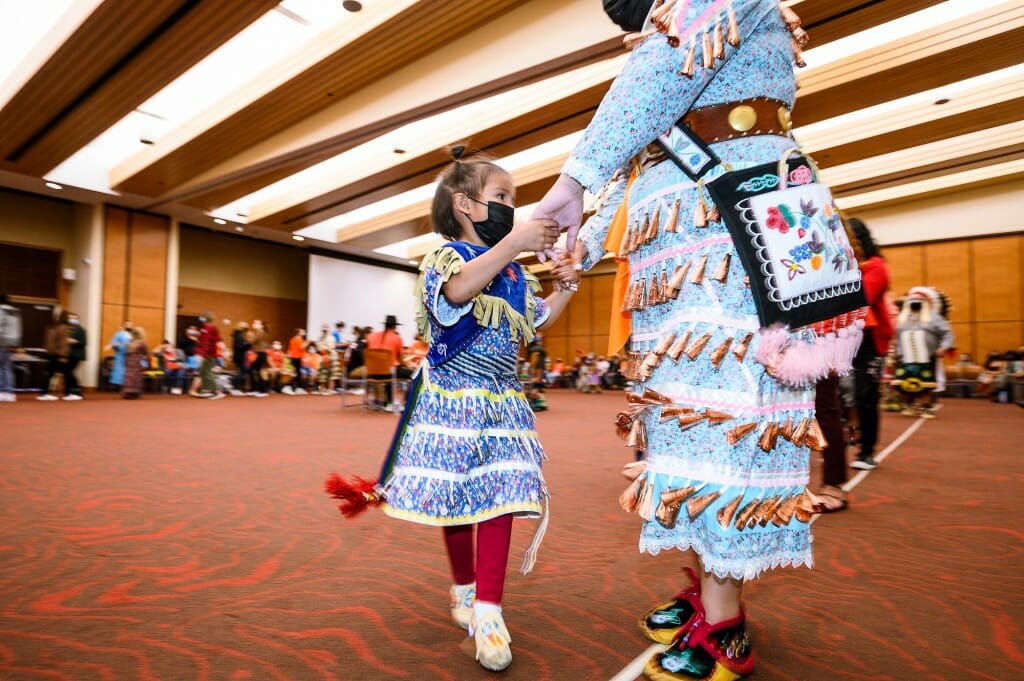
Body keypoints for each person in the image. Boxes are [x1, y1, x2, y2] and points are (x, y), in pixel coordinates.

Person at [530, 3, 827, 678]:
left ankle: (725, 627)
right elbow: (654, 134)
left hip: (734, 227)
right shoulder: (686, 24)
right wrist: (586, 238)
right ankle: (708, 587)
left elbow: (659, 73)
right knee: (687, 417)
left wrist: (573, 181)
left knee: (729, 412)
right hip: (694, 238)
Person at [330, 150, 578, 672]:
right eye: (502, 197)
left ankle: (489, 609)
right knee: (457, 497)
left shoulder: (513, 274)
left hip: (503, 400)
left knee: (503, 494)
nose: (512, 206)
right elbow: (457, 294)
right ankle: (464, 589)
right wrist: (513, 242)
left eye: (513, 199)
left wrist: (567, 286)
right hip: (453, 399)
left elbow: (536, 322)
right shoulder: (447, 257)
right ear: (465, 204)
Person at [847, 218, 893, 470]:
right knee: (844, 394)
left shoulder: (877, 267)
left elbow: (863, 298)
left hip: (871, 339)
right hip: (848, 336)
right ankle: (849, 437)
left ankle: (866, 451)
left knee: (866, 395)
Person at [891, 288, 953, 418]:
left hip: (927, 356)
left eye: (918, 300)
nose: (915, 302)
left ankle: (926, 407)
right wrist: (895, 351)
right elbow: (895, 337)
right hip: (905, 357)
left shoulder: (934, 318)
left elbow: (947, 333)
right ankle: (909, 404)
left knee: (926, 382)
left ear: (924, 302)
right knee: (904, 382)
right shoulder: (902, 319)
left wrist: (943, 347)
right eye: (912, 300)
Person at [366, 315, 412, 408]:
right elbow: (401, 359)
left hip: (372, 373)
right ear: (395, 326)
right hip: (389, 372)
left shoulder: (371, 336)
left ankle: (387, 402)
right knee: (414, 374)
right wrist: (408, 366)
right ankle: (407, 402)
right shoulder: (397, 338)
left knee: (389, 370)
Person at [37, 310, 72, 401]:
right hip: (59, 354)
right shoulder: (64, 328)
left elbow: (48, 341)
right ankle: (68, 393)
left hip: (50, 353)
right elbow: (63, 343)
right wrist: (64, 355)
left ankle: (43, 393)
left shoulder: (50, 327)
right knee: (67, 374)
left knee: (48, 374)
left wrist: (49, 351)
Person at [190, 313, 223, 399]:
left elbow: (205, 343)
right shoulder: (212, 328)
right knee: (203, 372)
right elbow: (216, 340)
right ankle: (207, 390)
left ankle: (217, 391)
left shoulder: (207, 329)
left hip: (207, 354)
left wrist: (201, 355)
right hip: (210, 354)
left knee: (207, 372)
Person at [0, 293, 22, 402]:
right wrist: (16, 344)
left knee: (1, 367)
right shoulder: (15, 312)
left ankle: (2, 391)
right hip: (12, 343)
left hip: (1, 342)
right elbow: (19, 329)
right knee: (7, 367)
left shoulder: (1, 311)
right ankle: (9, 392)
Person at [122, 327, 149, 399]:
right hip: (137, 361)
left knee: (128, 376)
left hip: (128, 360)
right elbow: (145, 352)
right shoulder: (142, 343)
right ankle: (135, 392)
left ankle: (127, 392)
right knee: (136, 376)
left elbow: (125, 352)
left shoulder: (129, 342)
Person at [246, 320, 270, 397]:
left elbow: (252, 341)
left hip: (261, 354)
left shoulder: (260, 332)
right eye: (254, 323)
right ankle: (255, 389)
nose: (254, 324)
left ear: (261, 326)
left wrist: (249, 336)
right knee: (253, 371)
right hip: (257, 354)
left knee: (257, 371)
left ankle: (263, 391)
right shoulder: (257, 332)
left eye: (256, 323)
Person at [108, 320, 133, 390]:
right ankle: (121, 387)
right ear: (124, 325)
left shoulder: (133, 335)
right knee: (121, 371)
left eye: (130, 325)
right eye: (128, 325)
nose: (129, 326)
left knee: (129, 373)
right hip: (121, 356)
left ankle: (129, 387)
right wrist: (118, 346)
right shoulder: (118, 334)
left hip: (130, 356)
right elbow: (113, 344)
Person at [285, 328, 307, 395]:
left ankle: (298, 388)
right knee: (293, 373)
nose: (304, 332)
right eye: (302, 331)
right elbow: (301, 347)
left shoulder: (300, 339)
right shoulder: (297, 339)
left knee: (298, 373)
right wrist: (308, 342)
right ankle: (288, 387)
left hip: (298, 358)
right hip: (294, 358)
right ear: (298, 332)